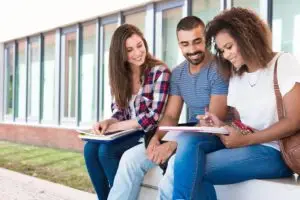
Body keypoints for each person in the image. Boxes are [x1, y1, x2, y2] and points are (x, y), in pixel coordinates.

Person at [161, 7, 300, 200]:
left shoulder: (283, 63)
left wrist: (246, 140)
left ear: (247, 37)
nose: (225, 55)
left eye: (229, 47)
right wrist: (220, 125)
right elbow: (243, 125)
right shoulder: (237, 74)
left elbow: (294, 121)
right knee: (188, 140)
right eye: (221, 50)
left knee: (192, 169)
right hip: (247, 145)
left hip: (275, 151)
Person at [107, 16, 229, 200]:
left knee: (172, 172)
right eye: (185, 44)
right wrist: (156, 139)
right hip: (191, 132)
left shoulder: (218, 69)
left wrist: (173, 144)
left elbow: (214, 123)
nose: (192, 49)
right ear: (179, 45)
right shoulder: (179, 73)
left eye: (197, 41)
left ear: (206, 39)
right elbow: (171, 115)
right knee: (129, 160)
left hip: (216, 135)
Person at [83, 24, 171, 200]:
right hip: (128, 133)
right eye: (130, 50)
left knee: (105, 152)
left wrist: (117, 127)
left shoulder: (159, 72)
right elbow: (119, 112)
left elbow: (152, 118)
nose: (138, 52)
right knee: (90, 149)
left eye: (139, 45)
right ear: (121, 54)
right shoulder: (120, 76)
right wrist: (108, 122)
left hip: (149, 133)